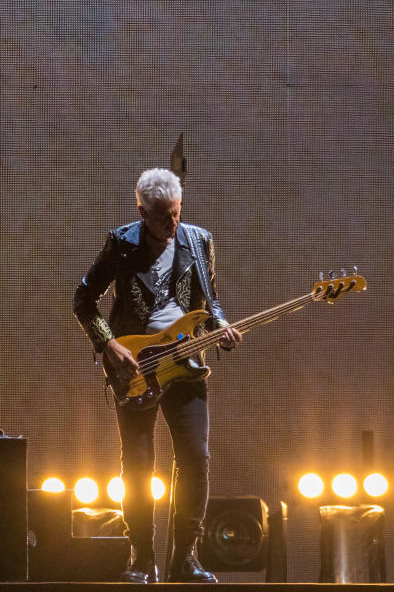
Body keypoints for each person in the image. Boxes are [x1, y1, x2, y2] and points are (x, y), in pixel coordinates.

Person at [73, 168, 242, 584]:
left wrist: (220, 326)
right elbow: (83, 300)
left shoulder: (198, 240)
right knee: (138, 466)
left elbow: (211, 298)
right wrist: (107, 344)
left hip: (186, 365)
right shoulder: (121, 243)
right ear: (143, 211)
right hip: (137, 367)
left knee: (196, 461)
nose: (173, 223)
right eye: (164, 215)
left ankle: (185, 557)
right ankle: (142, 557)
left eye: (177, 212)